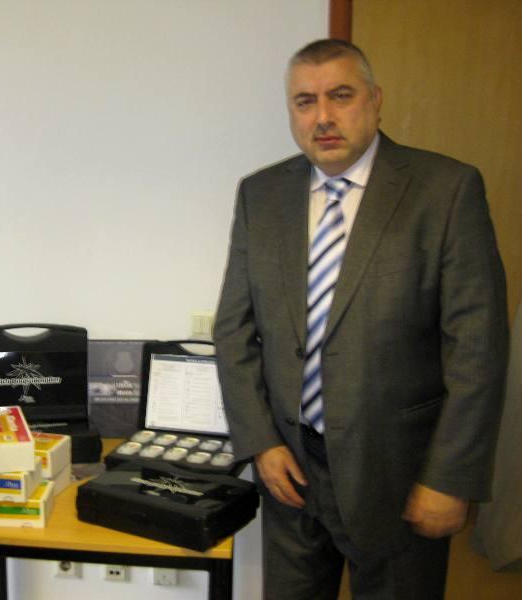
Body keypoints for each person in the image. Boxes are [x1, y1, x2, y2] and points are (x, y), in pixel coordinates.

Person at [214, 39, 508, 599]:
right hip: (291, 471)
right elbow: (233, 331)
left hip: (399, 475)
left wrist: (449, 478)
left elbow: (478, 349)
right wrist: (261, 443)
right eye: (305, 102)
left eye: (341, 96)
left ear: (375, 100)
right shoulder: (261, 194)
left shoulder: (445, 190)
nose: (323, 116)